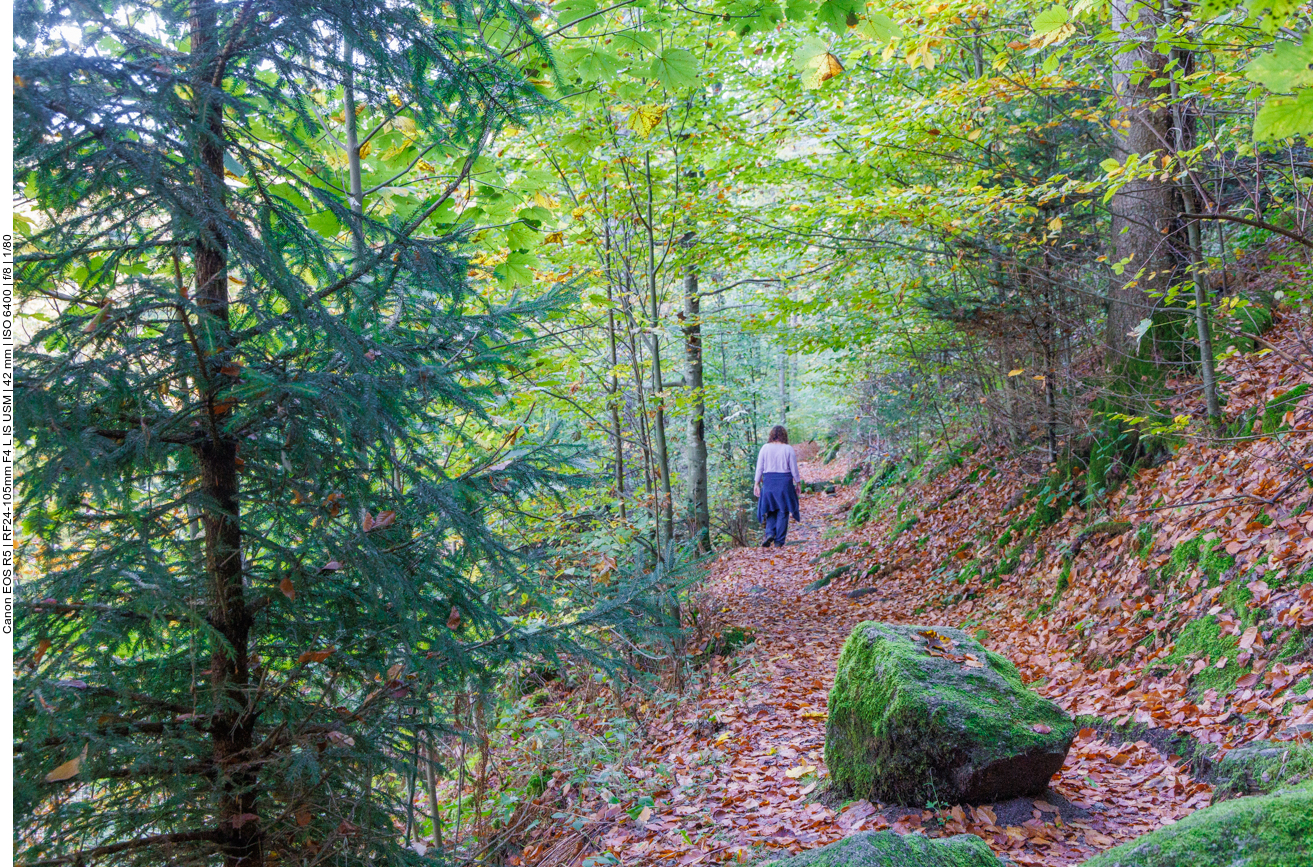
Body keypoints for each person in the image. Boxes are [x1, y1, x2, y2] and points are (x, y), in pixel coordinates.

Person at [754, 425, 801, 547]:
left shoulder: (765, 448)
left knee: (770, 510)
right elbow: (794, 469)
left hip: (769, 482)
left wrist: (756, 483)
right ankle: (779, 542)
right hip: (784, 483)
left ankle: (769, 533)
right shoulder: (788, 449)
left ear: (772, 435)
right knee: (783, 511)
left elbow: (759, 468)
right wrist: (798, 482)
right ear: (784, 435)